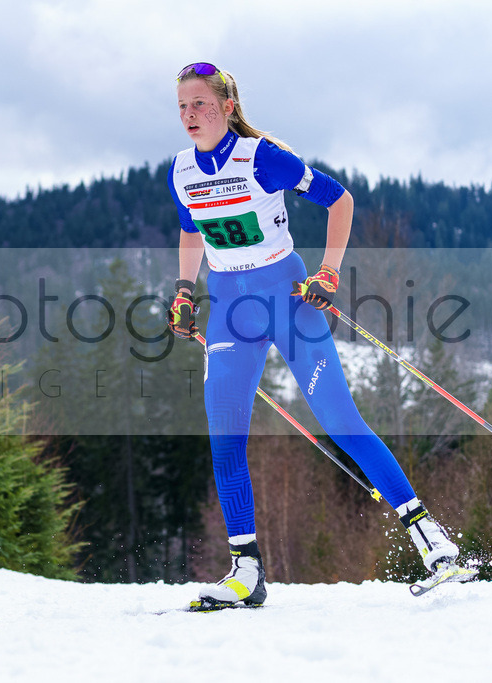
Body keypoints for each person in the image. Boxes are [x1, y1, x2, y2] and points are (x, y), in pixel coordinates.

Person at [166, 62, 464, 611]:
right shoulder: (182, 171)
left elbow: (340, 200)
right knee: (224, 439)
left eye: (200, 104)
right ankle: (246, 572)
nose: (189, 115)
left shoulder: (264, 158)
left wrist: (328, 271)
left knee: (340, 420)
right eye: (181, 106)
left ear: (228, 107)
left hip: (287, 297)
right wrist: (185, 289)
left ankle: (434, 543)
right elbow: (190, 232)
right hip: (231, 309)